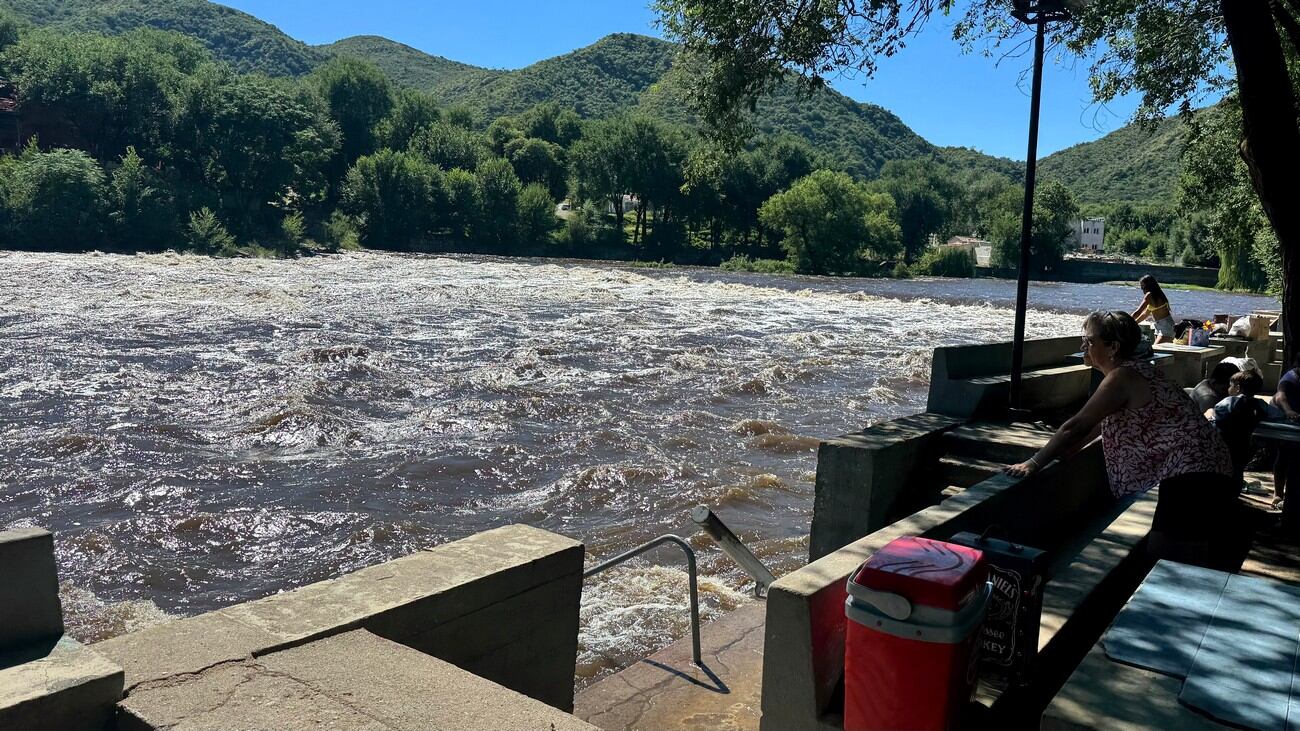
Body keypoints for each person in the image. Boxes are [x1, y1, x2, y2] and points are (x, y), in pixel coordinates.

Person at [1005, 311, 1232, 495]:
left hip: (1191, 469)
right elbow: (1097, 427)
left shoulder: (1122, 377)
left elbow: (1077, 425)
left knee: (1169, 548)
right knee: (1173, 547)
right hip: (1204, 464)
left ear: (1113, 347)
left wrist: (1033, 463)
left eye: (1089, 341)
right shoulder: (1140, 370)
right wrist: (1066, 451)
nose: (1083, 347)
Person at [1208, 370, 1271, 487]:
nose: (1228, 388)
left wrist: (1210, 414)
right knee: (1237, 470)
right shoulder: (1259, 404)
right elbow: (1275, 413)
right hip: (1244, 446)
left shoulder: (1228, 402)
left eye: (1230, 385)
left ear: (1237, 388)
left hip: (1223, 444)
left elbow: (1217, 420)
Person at [1271, 352, 1300, 506]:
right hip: (1284, 419)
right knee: (1283, 456)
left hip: (1297, 419)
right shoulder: (1290, 377)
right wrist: (1288, 411)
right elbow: (1280, 396)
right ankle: (1278, 493)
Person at [1131, 275, 1176, 344]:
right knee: (1160, 351)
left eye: (1142, 285)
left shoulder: (1150, 295)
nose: (1141, 288)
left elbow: (1138, 312)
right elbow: (1145, 314)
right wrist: (1135, 322)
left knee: (1156, 350)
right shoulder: (1157, 294)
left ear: (1147, 285)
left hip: (1166, 326)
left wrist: (1127, 321)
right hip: (1159, 326)